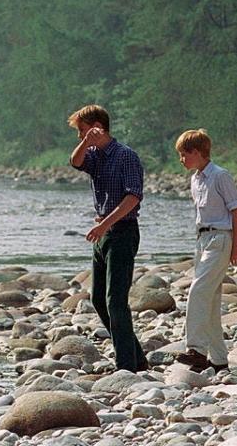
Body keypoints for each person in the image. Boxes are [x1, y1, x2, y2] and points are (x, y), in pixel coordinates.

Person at [68, 104, 148, 372]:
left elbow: (133, 197)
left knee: (116, 300)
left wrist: (105, 225)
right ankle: (136, 357)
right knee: (99, 299)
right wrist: (85, 143)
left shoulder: (126, 156)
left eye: (82, 130)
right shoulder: (93, 155)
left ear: (97, 126)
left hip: (122, 232)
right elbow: (75, 161)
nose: (80, 136)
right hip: (103, 233)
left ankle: (127, 366)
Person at [174, 129, 237, 371]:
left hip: (220, 239)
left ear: (197, 152)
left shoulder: (220, 176)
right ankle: (220, 359)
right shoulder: (195, 179)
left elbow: (236, 210)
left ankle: (195, 349)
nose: (181, 159)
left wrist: (236, 244)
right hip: (202, 239)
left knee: (198, 291)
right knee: (211, 300)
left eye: (184, 155)